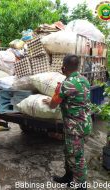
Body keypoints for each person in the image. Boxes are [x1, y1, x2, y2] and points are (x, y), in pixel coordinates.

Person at [43, 55, 92, 190]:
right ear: (78, 66)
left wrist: (50, 100)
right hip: (84, 123)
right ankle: (68, 178)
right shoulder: (84, 80)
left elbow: (53, 105)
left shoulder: (67, 84)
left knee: (76, 156)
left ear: (64, 67)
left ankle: (82, 186)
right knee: (68, 151)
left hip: (75, 127)